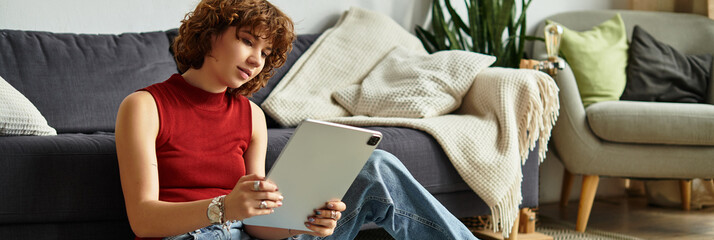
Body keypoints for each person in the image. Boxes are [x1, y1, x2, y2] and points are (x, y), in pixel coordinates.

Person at [115, 0, 478, 239]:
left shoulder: (251, 116)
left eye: (265, 52)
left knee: (375, 166)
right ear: (210, 33)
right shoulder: (145, 106)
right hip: (195, 235)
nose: (257, 60)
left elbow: (258, 225)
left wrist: (303, 224)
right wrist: (225, 207)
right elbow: (143, 220)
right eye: (246, 41)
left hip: (245, 232)